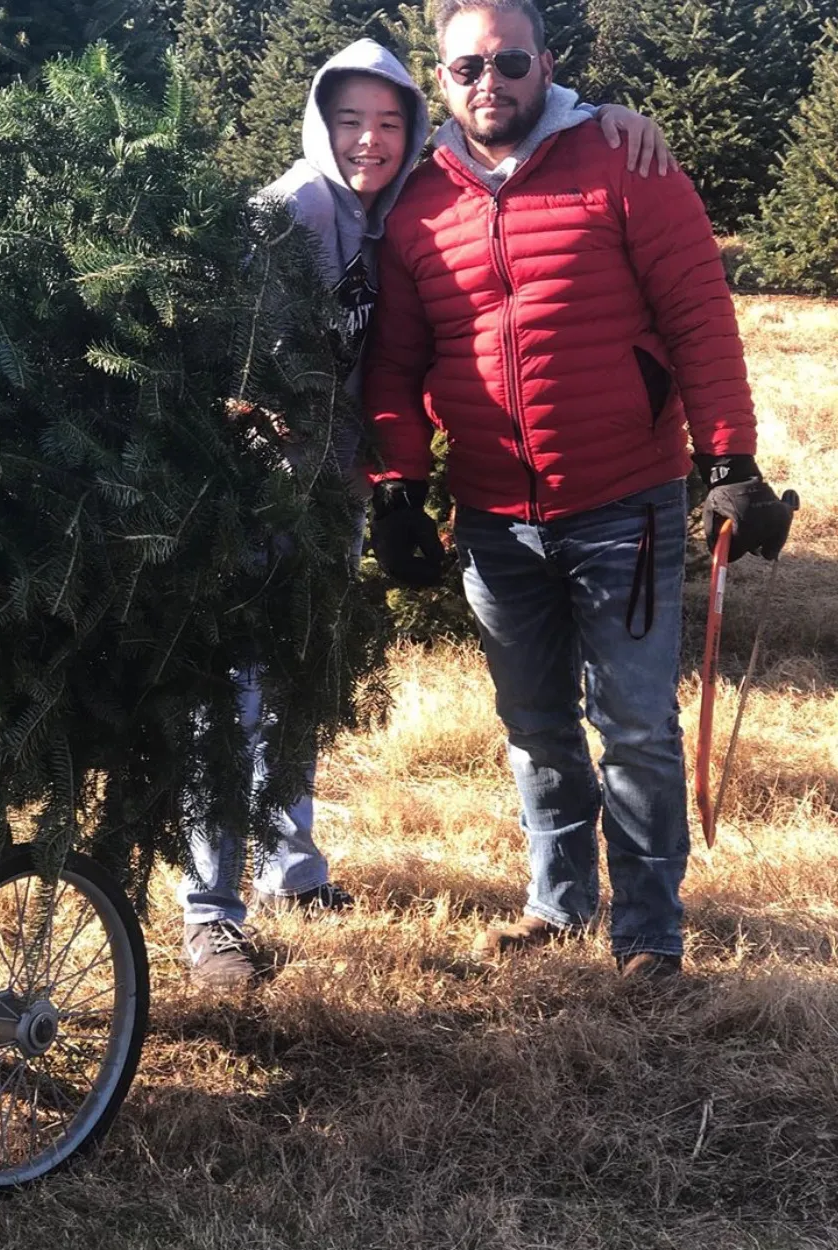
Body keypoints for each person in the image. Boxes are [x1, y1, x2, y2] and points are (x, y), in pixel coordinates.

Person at [180, 35, 677, 988]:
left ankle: (294, 872)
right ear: (319, 124)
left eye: (387, 123)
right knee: (228, 696)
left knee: (300, 684)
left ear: (415, 129)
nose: (367, 142)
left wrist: (611, 115)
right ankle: (210, 913)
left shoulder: (396, 215)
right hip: (253, 498)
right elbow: (229, 370)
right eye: (347, 122)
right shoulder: (287, 214)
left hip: (338, 494)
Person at [363, 0, 794, 980]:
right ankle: (558, 904)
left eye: (509, 61)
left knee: (636, 725)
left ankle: (649, 932)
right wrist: (397, 487)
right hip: (492, 517)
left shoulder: (624, 159)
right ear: (442, 80)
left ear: (545, 63)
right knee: (536, 724)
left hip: (623, 499)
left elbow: (699, 314)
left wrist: (728, 460)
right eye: (467, 66)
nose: (490, 82)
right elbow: (393, 364)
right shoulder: (419, 203)